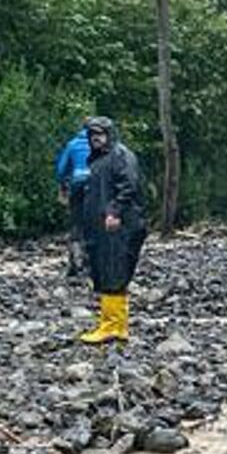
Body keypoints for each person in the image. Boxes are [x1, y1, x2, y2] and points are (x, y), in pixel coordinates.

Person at [75, 115, 147, 345]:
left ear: (110, 135)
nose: (96, 138)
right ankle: (117, 325)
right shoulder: (97, 160)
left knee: (113, 271)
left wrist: (114, 211)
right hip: (103, 227)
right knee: (108, 270)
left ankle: (111, 327)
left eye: (100, 134)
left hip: (121, 226)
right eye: (92, 135)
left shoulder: (120, 155)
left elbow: (129, 185)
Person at [54, 125, 92, 273]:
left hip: (77, 184)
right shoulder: (102, 143)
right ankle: (92, 259)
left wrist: (63, 184)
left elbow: (62, 169)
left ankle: (74, 262)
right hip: (96, 185)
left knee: (76, 221)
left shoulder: (73, 144)